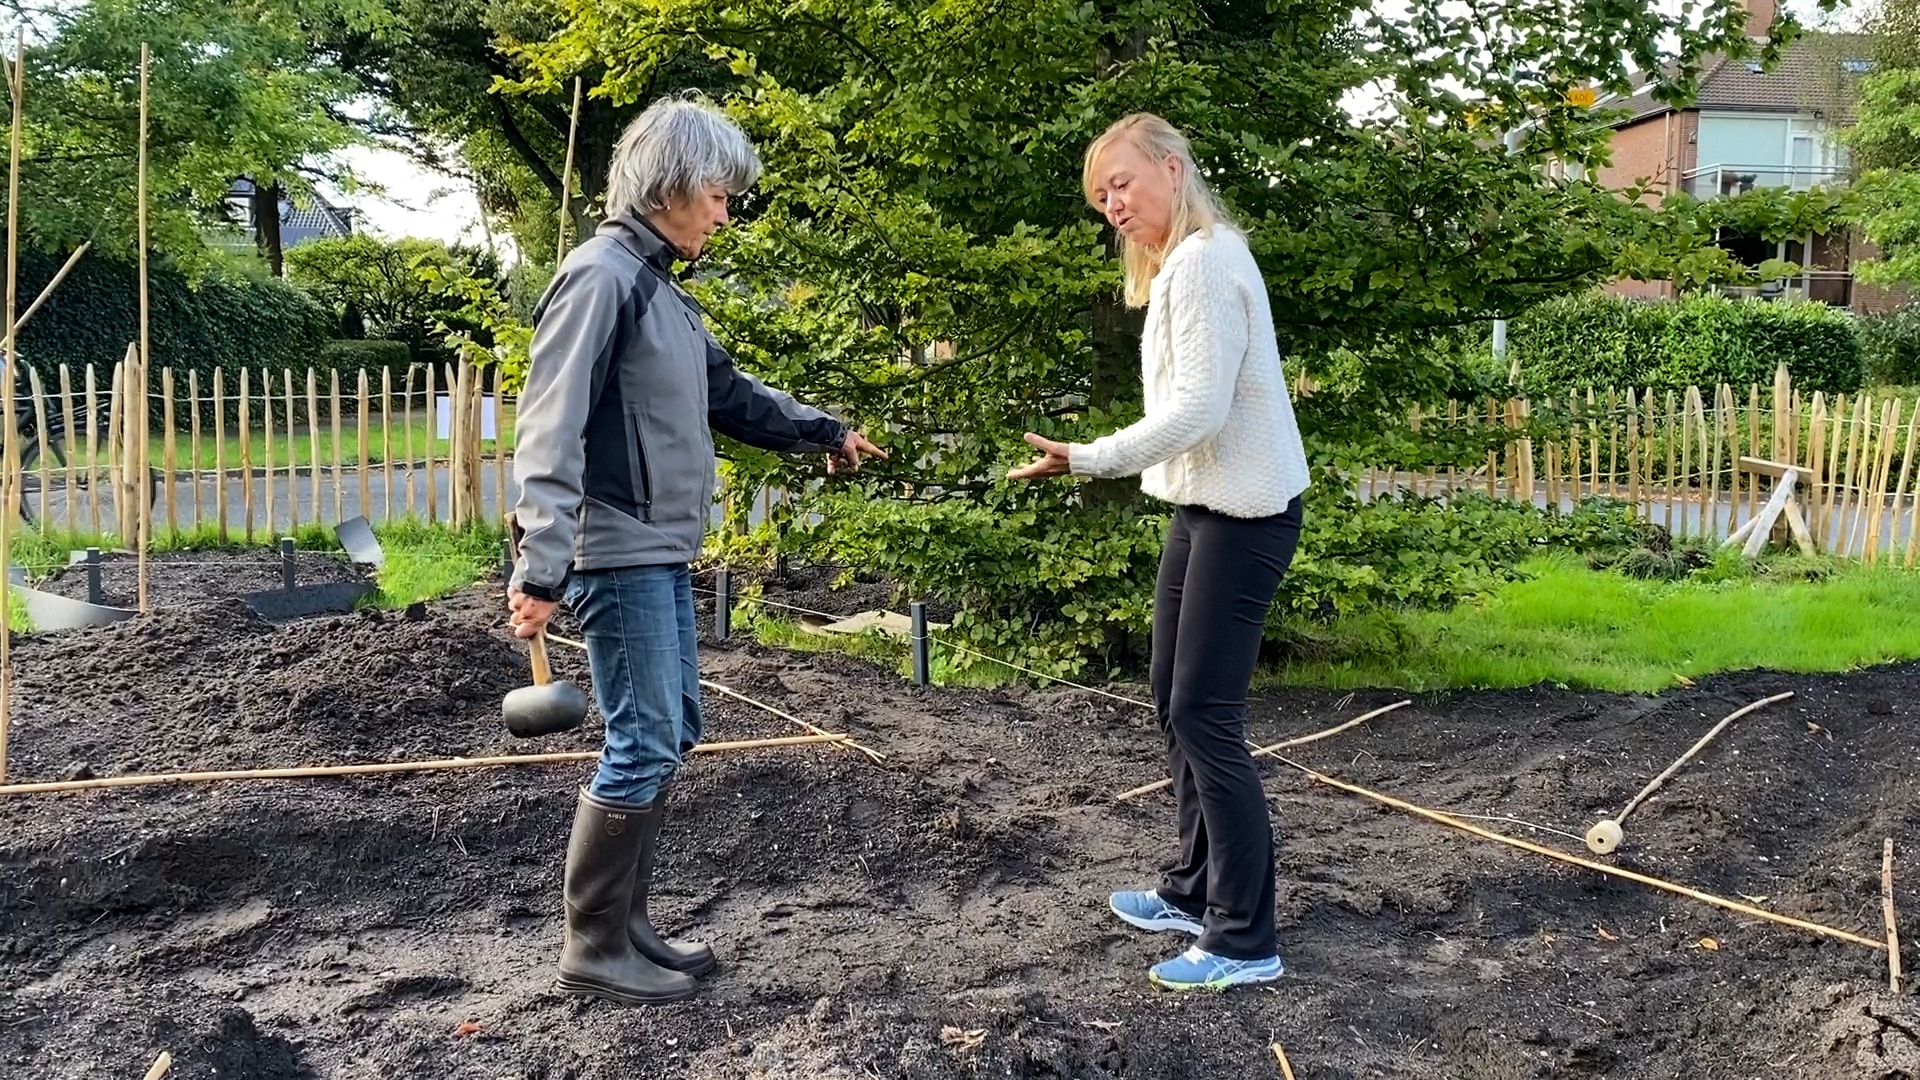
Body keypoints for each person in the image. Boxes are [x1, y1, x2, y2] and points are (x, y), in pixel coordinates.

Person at [506, 94, 886, 1006]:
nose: (725, 212)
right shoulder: (600, 278)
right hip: (614, 547)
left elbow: (730, 392)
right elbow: (547, 429)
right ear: (670, 184)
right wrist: (542, 563)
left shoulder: (658, 290)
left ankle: (629, 927)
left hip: (659, 546)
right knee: (642, 740)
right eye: (719, 194)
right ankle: (593, 943)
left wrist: (823, 431)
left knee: (673, 728)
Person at [1008, 112, 1311, 992]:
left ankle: (1245, 940)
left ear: (1172, 171)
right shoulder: (1185, 263)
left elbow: (1200, 412)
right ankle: (1191, 889)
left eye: (1123, 184)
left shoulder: (1209, 261)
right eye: (1100, 194)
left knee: (1207, 718)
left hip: (1244, 516)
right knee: (1171, 702)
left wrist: (1088, 457)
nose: (1111, 205)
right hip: (1202, 508)